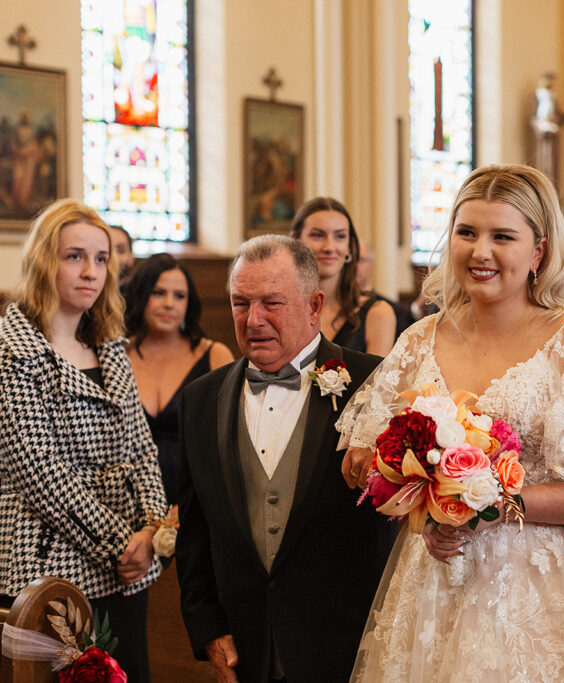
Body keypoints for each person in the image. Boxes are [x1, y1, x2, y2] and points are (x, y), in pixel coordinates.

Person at [336, 164, 564, 682]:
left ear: (538, 251)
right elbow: (367, 466)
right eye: (466, 232)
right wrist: (427, 509)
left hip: (546, 590)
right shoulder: (420, 339)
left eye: (502, 237)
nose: (480, 251)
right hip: (435, 585)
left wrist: (492, 506)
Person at [175, 236, 395, 681]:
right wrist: (209, 630)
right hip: (247, 650)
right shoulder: (201, 399)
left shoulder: (375, 385)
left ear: (314, 305)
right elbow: (195, 531)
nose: (253, 320)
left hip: (350, 648)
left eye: (271, 303)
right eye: (241, 303)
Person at [0, 199, 166, 681]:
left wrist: (152, 531)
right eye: (74, 256)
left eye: (100, 258)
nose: (90, 271)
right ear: (42, 261)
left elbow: (142, 448)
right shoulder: (15, 351)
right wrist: (122, 544)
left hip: (128, 570)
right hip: (51, 566)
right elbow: (42, 474)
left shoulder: (110, 346)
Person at [121, 254, 233, 503]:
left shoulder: (215, 355)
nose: (169, 303)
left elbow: (229, 442)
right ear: (141, 295)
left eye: (179, 296)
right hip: (127, 498)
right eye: (158, 292)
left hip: (194, 496)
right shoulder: (117, 355)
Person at [289, 196, 397, 356]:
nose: (330, 247)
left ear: (349, 247)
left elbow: (376, 381)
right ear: (295, 240)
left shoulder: (377, 314)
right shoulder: (279, 309)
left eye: (340, 236)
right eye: (318, 235)